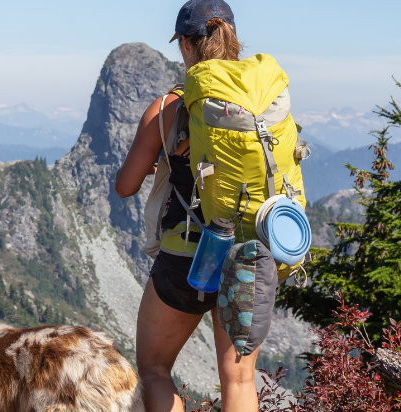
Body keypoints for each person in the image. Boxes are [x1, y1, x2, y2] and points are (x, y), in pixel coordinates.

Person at [115, 1, 264, 411]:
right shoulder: (263, 104)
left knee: (154, 369)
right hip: (248, 254)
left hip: (187, 256)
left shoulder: (168, 109)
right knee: (239, 378)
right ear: (232, 38)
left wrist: (164, 160)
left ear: (184, 44)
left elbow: (125, 185)